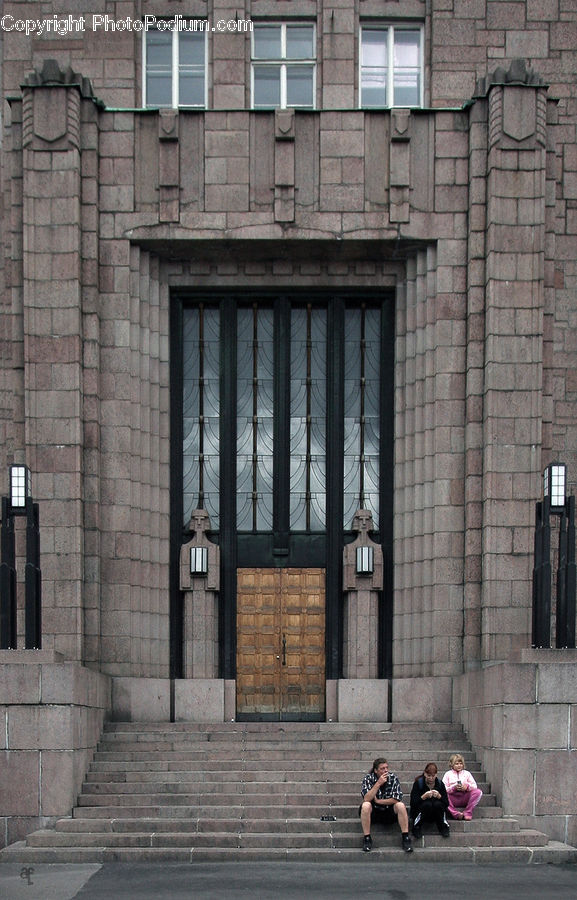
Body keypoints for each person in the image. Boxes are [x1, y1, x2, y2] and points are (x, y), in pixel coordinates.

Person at [359, 757, 413, 853]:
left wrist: (379, 801)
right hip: (374, 812)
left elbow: (396, 798)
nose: (386, 770)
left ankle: (406, 838)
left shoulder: (393, 778)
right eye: (382, 768)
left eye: (387, 768)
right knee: (366, 805)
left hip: (389, 811)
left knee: (400, 805)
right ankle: (367, 838)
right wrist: (378, 784)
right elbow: (366, 798)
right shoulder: (368, 778)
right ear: (375, 770)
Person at [410, 763, 450, 838]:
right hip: (422, 811)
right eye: (429, 776)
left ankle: (442, 826)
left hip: (436, 812)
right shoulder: (418, 784)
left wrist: (439, 796)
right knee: (427, 804)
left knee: (438, 804)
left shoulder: (440, 784)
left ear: (436, 774)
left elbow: (446, 803)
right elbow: (413, 803)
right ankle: (417, 827)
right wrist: (423, 797)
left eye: (433, 776)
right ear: (425, 774)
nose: (431, 778)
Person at [442, 753, 483, 820]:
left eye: (461, 763)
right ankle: (455, 814)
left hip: (464, 797)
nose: (459, 765)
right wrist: (453, 788)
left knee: (478, 792)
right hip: (453, 798)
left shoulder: (467, 773)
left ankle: (468, 812)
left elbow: (474, 786)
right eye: (457, 764)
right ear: (452, 764)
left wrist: (467, 787)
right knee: (442, 795)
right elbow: (443, 788)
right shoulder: (448, 774)